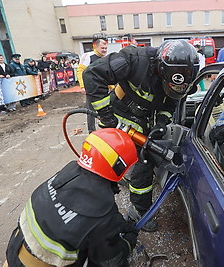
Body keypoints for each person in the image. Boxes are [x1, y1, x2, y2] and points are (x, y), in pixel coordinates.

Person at [83, 39, 200, 232]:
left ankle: (138, 212)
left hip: (143, 121)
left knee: (144, 165)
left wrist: (161, 123)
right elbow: (92, 75)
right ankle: (93, 213)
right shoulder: (134, 59)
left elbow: (171, 102)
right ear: (161, 68)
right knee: (106, 164)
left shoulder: (183, 79)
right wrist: (107, 117)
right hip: (117, 116)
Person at [4, 128, 139, 267]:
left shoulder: (67, 174)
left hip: (14, 250)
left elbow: (78, 222)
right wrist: (127, 243)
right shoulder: (102, 212)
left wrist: (114, 226)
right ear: (118, 167)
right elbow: (111, 261)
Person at [76, 32, 108, 133]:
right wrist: (82, 86)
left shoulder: (105, 58)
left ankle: (107, 130)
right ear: (96, 46)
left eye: (105, 48)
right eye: (102, 48)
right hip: (91, 89)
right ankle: (91, 131)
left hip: (103, 89)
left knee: (106, 110)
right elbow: (80, 71)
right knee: (91, 112)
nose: (104, 50)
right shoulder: (88, 56)